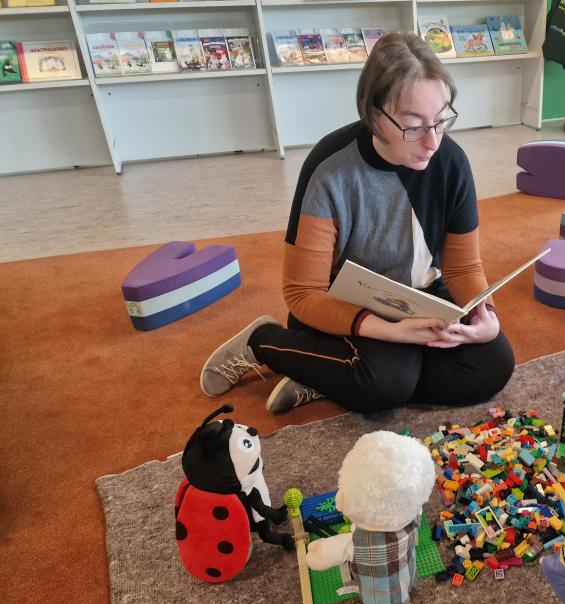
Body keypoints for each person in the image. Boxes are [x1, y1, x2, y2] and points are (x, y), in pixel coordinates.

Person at [199, 32, 515, 415]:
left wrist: (486, 316)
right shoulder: (330, 169)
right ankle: (262, 342)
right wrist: (390, 332)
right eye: (413, 126)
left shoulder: (451, 162)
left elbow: (463, 268)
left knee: (493, 364)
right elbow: (303, 293)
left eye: (441, 119)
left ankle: (331, 374)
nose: (432, 142)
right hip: (344, 305)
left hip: (423, 298)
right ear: (371, 112)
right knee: (386, 382)